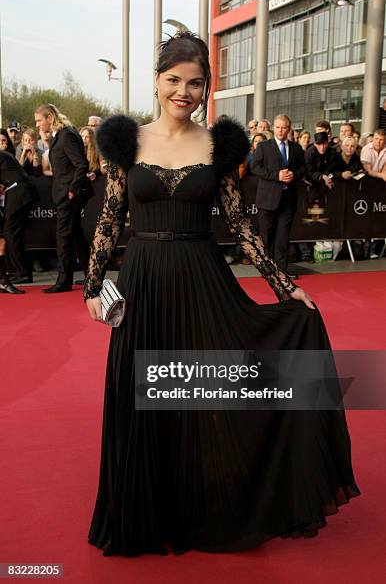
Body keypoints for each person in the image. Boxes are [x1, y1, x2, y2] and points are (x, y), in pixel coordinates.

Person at [83, 31, 360, 558]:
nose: (183, 92)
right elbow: (109, 220)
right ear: (156, 81)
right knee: (145, 397)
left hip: (202, 278)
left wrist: (286, 286)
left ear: (207, 89)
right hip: (142, 284)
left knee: (210, 392)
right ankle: (150, 513)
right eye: (173, 81)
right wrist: (93, 287)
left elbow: (241, 225)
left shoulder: (218, 144)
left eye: (195, 84)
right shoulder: (126, 140)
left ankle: (212, 505)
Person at [34, 103, 92, 293]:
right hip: (66, 192)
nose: (37, 125)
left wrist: (72, 190)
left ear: (49, 118)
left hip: (70, 194)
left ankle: (64, 281)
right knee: (74, 234)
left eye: (39, 120)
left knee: (64, 235)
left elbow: (81, 164)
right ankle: (92, 275)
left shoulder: (66, 135)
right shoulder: (60, 135)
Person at [252, 113, 306, 277]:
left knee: (283, 236)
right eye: (278, 127)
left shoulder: (296, 148)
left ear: (289, 129)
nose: (281, 131)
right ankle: (267, 270)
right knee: (266, 236)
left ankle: (281, 270)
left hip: (288, 199)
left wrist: (294, 175)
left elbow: (303, 169)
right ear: (274, 128)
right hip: (268, 199)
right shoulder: (264, 146)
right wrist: (277, 176)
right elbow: (255, 168)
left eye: (284, 127)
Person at [0, 149, 39, 284]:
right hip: (23, 193)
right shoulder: (4, 155)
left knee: (11, 233)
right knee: (14, 234)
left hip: (20, 194)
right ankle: (20, 271)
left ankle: (23, 273)